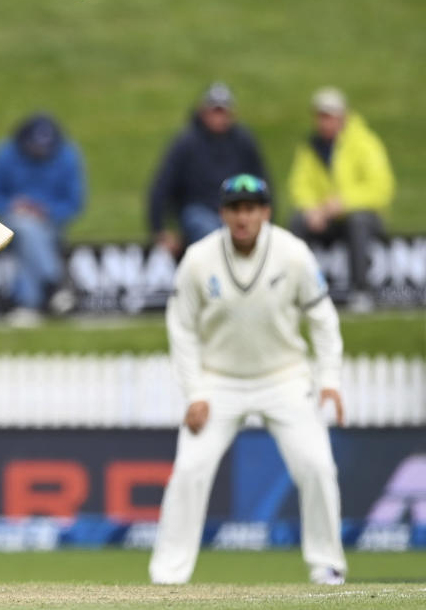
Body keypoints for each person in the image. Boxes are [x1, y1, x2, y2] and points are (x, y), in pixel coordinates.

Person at [149, 174, 347, 586]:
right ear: (222, 214)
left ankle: (327, 564)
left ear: (265, 212)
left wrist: (329, 378)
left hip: (285, 376)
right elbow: (181, 329)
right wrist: (195, 393)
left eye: (251, 208)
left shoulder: (293, 254)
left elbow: (323, 319)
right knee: (189, 470)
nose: (243, 217)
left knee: (317, 466)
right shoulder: (199, 259)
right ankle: (168, 575)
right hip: (218, 381)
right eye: (235, 209)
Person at [288, 87, 395, 313]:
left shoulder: (365, 142)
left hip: (362, 216)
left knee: (357, 221)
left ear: (343, 116)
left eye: (329, 116)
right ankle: (298, 290)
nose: (324, 122)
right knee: (297, 222)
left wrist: (343, 202)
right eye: (320, 116)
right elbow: (299, 185)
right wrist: (312, 210)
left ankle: (361, 291)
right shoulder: (310, 147)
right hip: (326, 217)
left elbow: (381, 188)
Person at [0, 114, 85, 323]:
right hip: (10, 221)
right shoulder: (5, 153)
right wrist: (13, 206)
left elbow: (73, 203)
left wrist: (46, 211)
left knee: (29, 236)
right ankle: (54, 284)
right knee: (25, 226)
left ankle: (28, 304)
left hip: (51, 225)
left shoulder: (68, 155)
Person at [148, 82, 270, 255]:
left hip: (235, 207)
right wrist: (159, 230)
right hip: (199, 209)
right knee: (211, 234)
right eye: (215, 111)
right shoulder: (186, 143)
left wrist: (266, 217)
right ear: (203, 112)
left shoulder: (244, 141)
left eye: (223, 112)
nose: (218, 117)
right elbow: (162, 185)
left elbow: (263, 181)